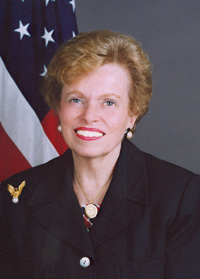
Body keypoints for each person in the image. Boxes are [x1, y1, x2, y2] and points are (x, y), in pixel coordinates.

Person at [0, 30, 200, 279]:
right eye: (76, 100)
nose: (89, 116)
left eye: (109, 102)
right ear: (58, 108)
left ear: (132, 114)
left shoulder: (182, 197)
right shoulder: (14, 199)